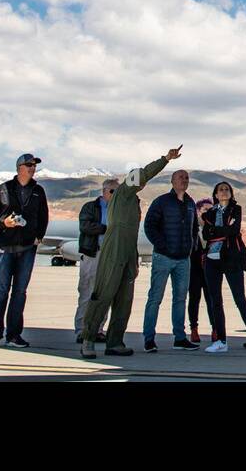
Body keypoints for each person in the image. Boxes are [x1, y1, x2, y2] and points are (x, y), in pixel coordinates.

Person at [81, 146, 182, 360]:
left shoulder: (134, 201)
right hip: (114, 248)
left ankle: (115, 341)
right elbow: (143, 173)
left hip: (128, 250)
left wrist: (134, 260)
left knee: (124, 298)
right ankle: (88, 338)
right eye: (139, 180)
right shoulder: (123, 191)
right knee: (104, 293)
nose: (142, 183)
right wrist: (165, 159)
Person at [0, 152, 49, 347]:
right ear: (19, 167)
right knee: (1, 291)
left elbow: (43, 216)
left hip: (28, 248)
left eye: (34, 165)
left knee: (20, 292)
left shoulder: (38, 191)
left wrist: (39, 236)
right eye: (28, 164)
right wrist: (4, 223)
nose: (32, 167)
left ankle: (13, 335)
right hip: (4, 247)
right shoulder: (4, 189)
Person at [142, 169, 200, 352]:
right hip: (163, 257)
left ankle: (180, 338)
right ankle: (149, 338)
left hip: (183, 259)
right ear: (172, 181)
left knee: (180, 299)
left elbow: (194, 228)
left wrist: (191, 247)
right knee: (155, 298)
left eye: (186, 178)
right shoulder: (162, 202)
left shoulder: (190, 203)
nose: (184, 180)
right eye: (180, 177)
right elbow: (149, 225)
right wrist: (163, 245)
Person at [200, 181, 246, 353]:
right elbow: (205, 234)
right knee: (215, 301)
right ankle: (221, 340)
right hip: (211, 259)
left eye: (227, 189)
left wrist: (215, 231)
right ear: (216, 194)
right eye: (220, 190)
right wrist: (221, 230)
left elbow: (233, 231)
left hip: (231, 258)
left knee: (239, 299)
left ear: (231, 193)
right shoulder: (209, 213)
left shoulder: (236, 209)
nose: (224, 192)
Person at [75, 178, 117, 345]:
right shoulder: (90, 207)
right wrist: (106, 229)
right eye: (112, 191)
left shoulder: (119, 209)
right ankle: (81, 330)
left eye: (117, 192)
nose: (115, 195)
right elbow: (85, 226)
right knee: (87, 292)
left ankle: (98, 329)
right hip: (93, 253)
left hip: (111, 255)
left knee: (105, 294)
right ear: (104, 191)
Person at [188, 197, 213, 343]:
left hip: (210, 269)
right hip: (194, 269)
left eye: (211, 211)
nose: (208, 213)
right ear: (198, 211)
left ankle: (215, 329)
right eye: (205, 210)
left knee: (212, 299)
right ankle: (193, 329)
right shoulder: (192, 228)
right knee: (194, 298)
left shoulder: (214, 229)